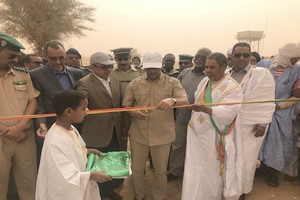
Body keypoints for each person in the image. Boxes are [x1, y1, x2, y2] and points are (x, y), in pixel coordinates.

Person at [123, 51, 188, 200]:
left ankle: (160, 196)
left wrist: (173, 100)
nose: (152, 71)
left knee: (160, 171)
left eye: (155, 68)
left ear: (161, 66)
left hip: (163, 135)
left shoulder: (173, 83)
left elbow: (185, 100)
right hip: (138, 135)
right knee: (137, 169)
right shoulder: (135, 83)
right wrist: (134, 112)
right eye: (149, 68)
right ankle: (139, 196)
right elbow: (126, 105)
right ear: (144, 67)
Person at [182, 52, 243, 200]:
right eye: (207, 67)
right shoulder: (204, 81)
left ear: (223, 67)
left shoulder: (233, 87)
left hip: (214, 135)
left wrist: (206, 109)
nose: (208, 70)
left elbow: (231, 111)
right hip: (196, 134)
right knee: (193, 168)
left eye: (212, 67)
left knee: (210, 171)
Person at [35, 90, 112, 200]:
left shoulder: (71, 129)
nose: (87, 111)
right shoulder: (55, 140)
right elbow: (64, 175)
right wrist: (92, 175)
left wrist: (87, 151)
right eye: (83, 108)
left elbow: (71, 152)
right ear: (69, 111)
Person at [228, 42, 275, 199]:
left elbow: (266, 100)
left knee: (246, 159)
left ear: (251, 56)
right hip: (227, 125)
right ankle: (227, 188)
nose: (241, 58)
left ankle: (241, 190)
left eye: (246, 55)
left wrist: (263, 123)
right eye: (237, 55)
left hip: (251, 126)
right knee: (228, 157)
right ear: (232, 57)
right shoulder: (226, 73)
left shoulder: (262, 73)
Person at [76, 52, 123, 200]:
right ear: (92, 67)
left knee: (112, 162)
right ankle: (99, 194)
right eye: (103, 67)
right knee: (98, 164)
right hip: (97, 132)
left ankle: (110, 191)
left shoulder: (115, 80)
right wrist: (84, 106)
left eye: (110, 67)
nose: (107, 70)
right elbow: (82, 98)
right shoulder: (84, 82)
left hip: (116, 129)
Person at [30, 40, 84, 165]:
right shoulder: (36, 75)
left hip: (75, 126)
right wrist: (41, 124)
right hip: (52, 126)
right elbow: (40, 104)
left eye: (61, 58)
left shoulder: (77, 73)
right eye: (53, 59)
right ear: (45, 57)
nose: (58, 62)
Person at [0, 32, 40, 200]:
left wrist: (20, 127)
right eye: (11, 56)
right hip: (2, 138)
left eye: (17, 57)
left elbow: (33, 102)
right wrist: (6, 130)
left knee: (29, 183)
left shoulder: (23, 75)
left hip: (24, 137)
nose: (15, 60)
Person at [259, 43, 300, 188]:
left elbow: (296, 96)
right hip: (261, 109)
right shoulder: (264, 64)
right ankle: (261, 167)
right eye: (294, 58)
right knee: (259, 139)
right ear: (286, 55)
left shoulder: (297, 70)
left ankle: (273, 173)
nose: (296, 61)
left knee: (278, 143)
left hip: (282, 114)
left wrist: (278, 105)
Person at [167, 48, 211, 182]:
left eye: (203, 57)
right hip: (181, 115)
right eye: (197, 57)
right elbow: (174, 91)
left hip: (200, 118)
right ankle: (175, 171)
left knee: (197, 146)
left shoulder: (210, 76)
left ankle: (193, 172)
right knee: (177, 144)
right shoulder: (185, 72)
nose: (198, 60)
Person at [110, 48, 142, 151]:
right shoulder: (110, 73)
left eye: (125, 58)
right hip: (117, 112)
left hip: (136, 111)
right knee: (120, 139)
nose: (123, 62)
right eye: (119, 59)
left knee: (139, 139)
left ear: (130, 58)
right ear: (115, 59)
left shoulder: (139, 73)